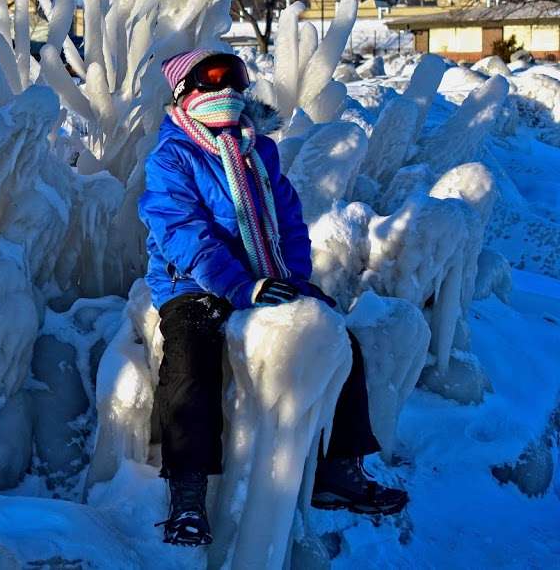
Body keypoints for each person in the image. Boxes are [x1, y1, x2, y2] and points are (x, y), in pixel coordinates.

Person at [138, 49, 408, 547]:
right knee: (191, 363)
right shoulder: (172, 155)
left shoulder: (256, 150)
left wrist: (295, 281)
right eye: (211, 81)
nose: (227, 93)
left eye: (235, 80)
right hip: (193, 283)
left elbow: (288, 221)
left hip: (266, 276)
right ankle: (189, 493)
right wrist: (238, 285)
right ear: (184, 92)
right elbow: (181, 230)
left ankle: (339, 469)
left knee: (336, 338)